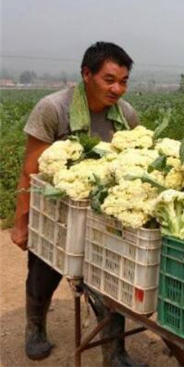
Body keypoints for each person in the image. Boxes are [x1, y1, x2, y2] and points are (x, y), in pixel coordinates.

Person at [11, 41, 144, 366]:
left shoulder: (125, 116)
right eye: (109, 79)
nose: (117, 89)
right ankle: (35, 328)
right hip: (55, 210)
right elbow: (31, 167)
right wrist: (21, 221)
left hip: (101, 213)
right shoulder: (54, 108)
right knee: (43, 273)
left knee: (113, 279)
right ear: (87, 74)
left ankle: (114, 353)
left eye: (123, 81)